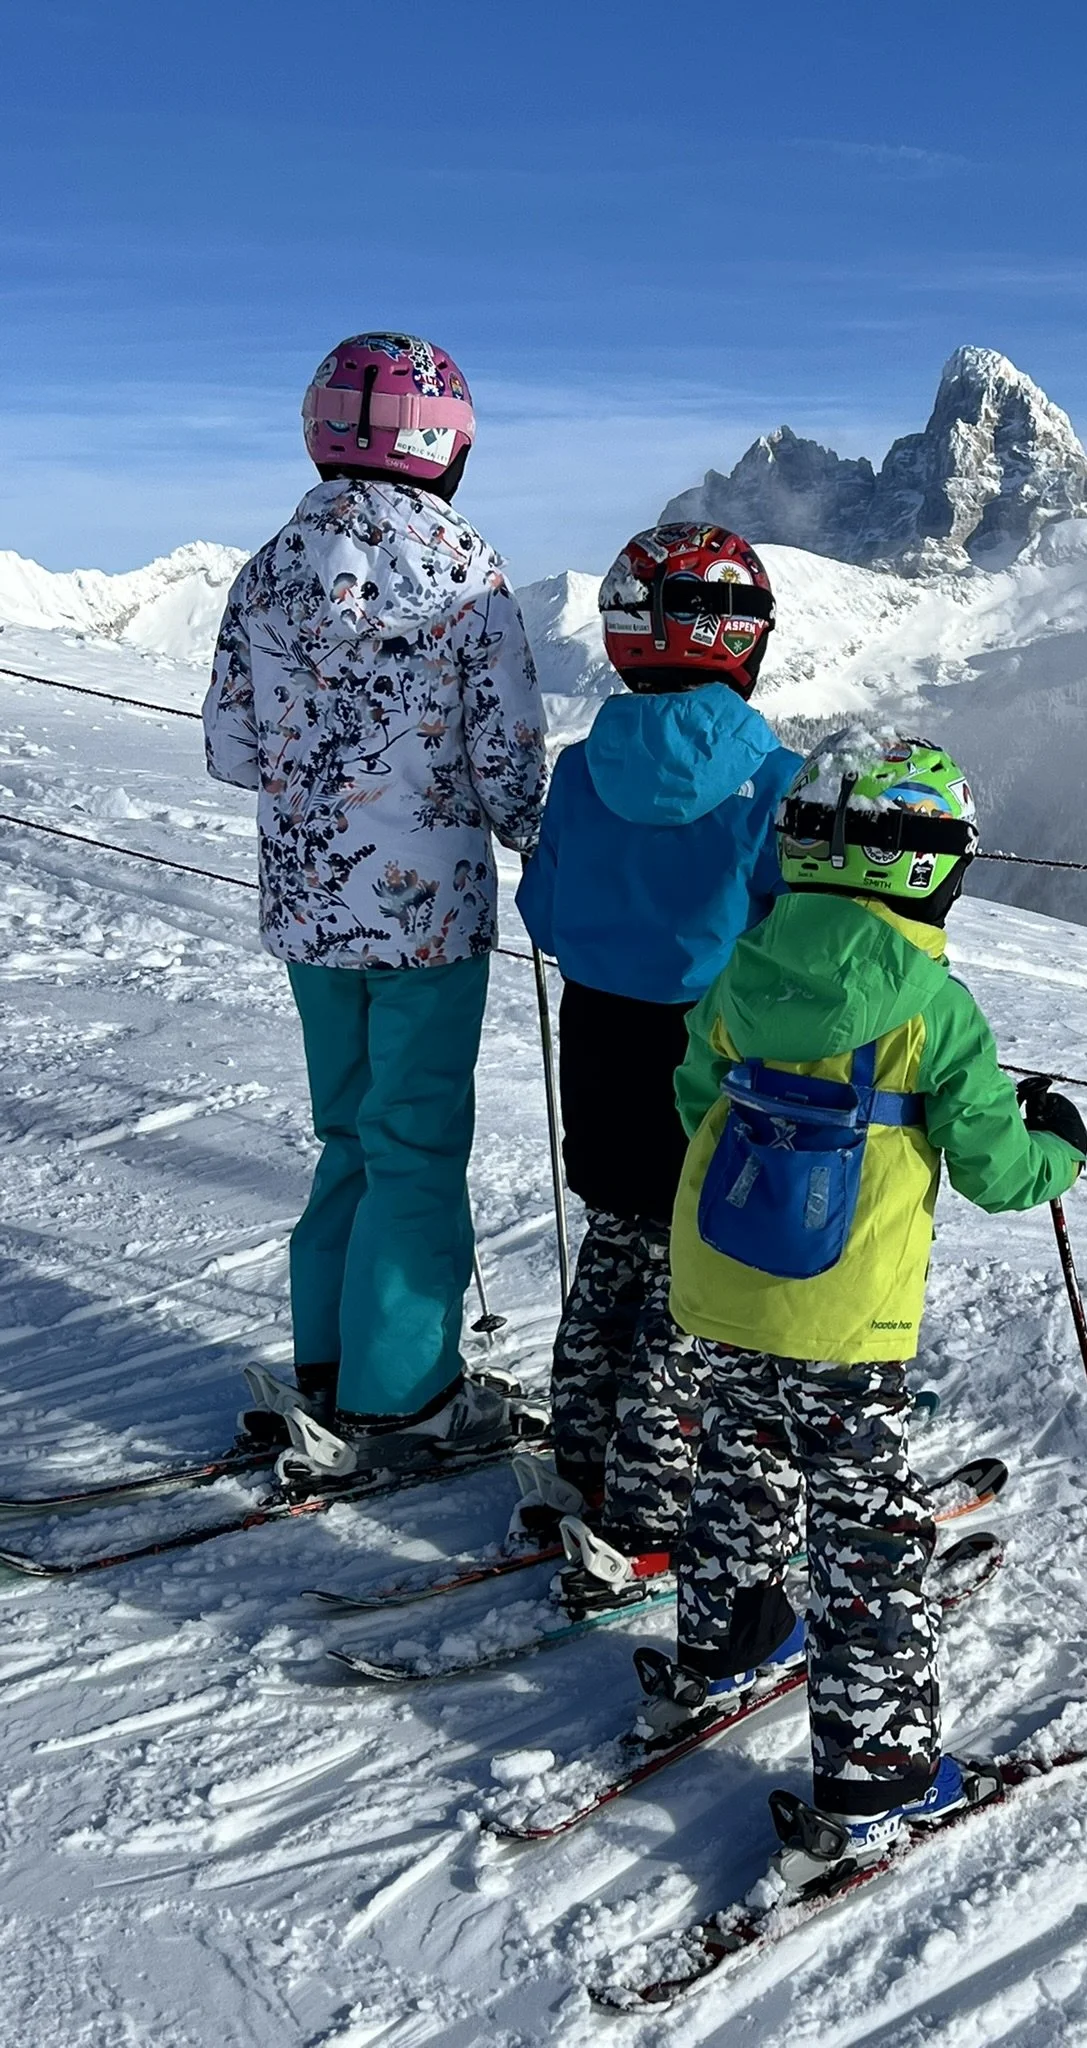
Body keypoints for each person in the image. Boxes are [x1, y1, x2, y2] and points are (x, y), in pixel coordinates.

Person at [637, 727, 1087, 1884]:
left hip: (722, 1275)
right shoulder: (933, 1006)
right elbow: (996, 1167)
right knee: (864, 1522)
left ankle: (729, 1630)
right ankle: (875, 1762)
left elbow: (698, 1097)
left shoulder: (744, 965)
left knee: (738, 1452)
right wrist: (1059, 1148)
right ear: (932, 864)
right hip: (843, 1315)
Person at [202, 332, 546, 1477]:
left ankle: (325, 1358)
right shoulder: (468, 570)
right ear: (444, 443)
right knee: (415, 1142)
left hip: (308, 909)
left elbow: (231, 746)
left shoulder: (268, 566)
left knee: (346, 1131)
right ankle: (401, 1395)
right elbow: (507, 765)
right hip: (429, 918)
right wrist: (532, 834)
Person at [512, 523, 800, 1608]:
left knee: (616, 1247)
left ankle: (577, 1460)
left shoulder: (585, 770)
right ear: (742, 638)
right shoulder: (775, 779)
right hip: (713, 1054)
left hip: (598, 1035)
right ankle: (647, 1511)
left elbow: (542, 907)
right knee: (693, 1275)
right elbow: (790, 934)